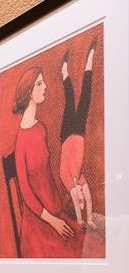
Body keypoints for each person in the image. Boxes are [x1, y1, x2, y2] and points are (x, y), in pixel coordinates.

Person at [9, 67, 87, 258]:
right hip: (38, 223)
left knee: (90, 243)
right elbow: (26, 191)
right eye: (39, 83)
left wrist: (64, 207)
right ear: (28, 93)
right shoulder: (21, 140)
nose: (45, 87)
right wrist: (53, 220)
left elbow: (48, 178)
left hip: (56, 210)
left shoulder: (41, 129)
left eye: (43, 82)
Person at [59, 35, 99, 229]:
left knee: (70, 97)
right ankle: (90, 57)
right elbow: (88, 200)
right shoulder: (81, 179)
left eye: (79, 202)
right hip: (80, 132)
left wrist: (81, 218)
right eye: (83, 201)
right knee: (86, 96)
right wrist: (89, 218)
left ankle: (64, 71)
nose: (83, 199)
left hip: (67, 133)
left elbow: (77, 199)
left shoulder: (68, 181)